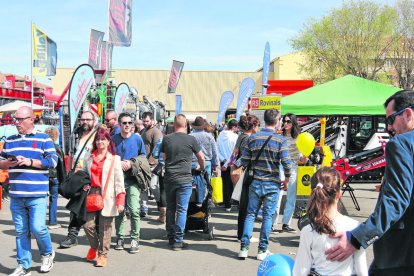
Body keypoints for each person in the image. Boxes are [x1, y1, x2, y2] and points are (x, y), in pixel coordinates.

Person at [326, 90, 414, 275]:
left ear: (408, 114)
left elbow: (396, 201)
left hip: (400, 256)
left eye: (391, 120)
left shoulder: (401, 144)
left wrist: (357, 239)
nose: (389, 128)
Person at [1, 106, 57, 276]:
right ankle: (23, 266)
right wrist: (6, 164)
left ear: (31, 119)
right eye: (15, 119)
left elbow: (53, 161)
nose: (16, 123)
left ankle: (47, 253)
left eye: (20, 119)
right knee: (21, 231)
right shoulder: (10, 140)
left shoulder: (44, 139)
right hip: (17, 194)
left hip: (37, 193)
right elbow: (1, 160)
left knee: (38, 227)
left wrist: (31, 162)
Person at [237, 109, 291, 261]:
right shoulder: (281, 140)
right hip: (272, 184)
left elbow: (244, 160)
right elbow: (287, 163)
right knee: (267, 217)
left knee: (250, 214)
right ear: (277, 121)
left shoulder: (252, 138)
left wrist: (233, 166)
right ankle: (262, 251)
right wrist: (287, 179)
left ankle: (244, 248)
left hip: (255, 182)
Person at [293, 167, 367, 275]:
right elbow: (362, 271)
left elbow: (300, 271)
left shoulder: (308, 230)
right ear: (338, 194)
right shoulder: (355, 227)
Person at [161, 114, 205, 250]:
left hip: (170, 178)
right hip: (185, 179)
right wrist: (201, 168)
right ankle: (178, 241)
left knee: (171, 208)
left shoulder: (166, 139)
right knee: (182, 210)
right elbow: (201, 157)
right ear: (186, 125)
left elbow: (163, 157)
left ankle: (170, 236)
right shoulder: (191, 139)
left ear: (173, 125)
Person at [83, 127, 125, 267]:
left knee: (105, 227)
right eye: (98, 139)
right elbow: (83, 175)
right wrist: (83, 185)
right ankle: (94, 246)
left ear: (108, 142)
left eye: (103, 139)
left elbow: (119, 182)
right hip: (91, 193)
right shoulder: (88, 157)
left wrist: (120, 200)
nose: (100, 142)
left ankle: (103, 254)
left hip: (108, 194)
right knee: (88, 225)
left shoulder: (114, 159)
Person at [60, 111, 97, 248]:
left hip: (91, 175)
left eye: (88, 119)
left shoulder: (97, 135)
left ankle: (96, 236)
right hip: (77, 175)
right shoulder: (75, 134)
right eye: (83, 119)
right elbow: (71, 153)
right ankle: (72, 236)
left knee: (92, 206)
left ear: (94, 120)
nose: (85, 122)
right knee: (75, 205)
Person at [112, 112, 146, 254]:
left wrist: (131, 163)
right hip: (117, 180)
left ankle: (134, 239)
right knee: (119, 210)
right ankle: (120, 237)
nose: (127, 125)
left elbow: (143, 157)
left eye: (129, 123)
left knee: (134, 210)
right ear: (119, 125)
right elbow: (108, 156)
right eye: (124, 123)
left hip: (133, 179)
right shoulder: (113, 139)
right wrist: (118, 162)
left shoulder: (137, 139)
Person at [272, 113, 304, 233]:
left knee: (291, 197)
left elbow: (300, 155)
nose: (285, 123)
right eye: (284, 121)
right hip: (280, 166)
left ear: (293, 123)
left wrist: (304, 159)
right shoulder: (279, 135)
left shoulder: (298, 137)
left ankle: (286, 223)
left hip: (293, 167)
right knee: (278, 195)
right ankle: (272, 223)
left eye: (288, 121)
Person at [231, 115, 260, 241]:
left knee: (243, 205)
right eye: (258, 126)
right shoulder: (248, 138)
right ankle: (243, 234)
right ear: (253, 126)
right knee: (246, 206)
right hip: (245, 173)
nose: (259, 128)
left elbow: (235, 154)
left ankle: (241, 233)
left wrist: (233, 166)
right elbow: (244, 158)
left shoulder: (241, 136)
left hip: (239, 172)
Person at [190, 116, 219, 205]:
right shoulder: (209, 136)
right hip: (207, 162)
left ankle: (193, 204)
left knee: (193, 184)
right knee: (206, 184)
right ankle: (205, 205)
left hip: (193, 162)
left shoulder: (190, 136)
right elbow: (215, 152)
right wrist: (216, 165)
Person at [140, 111, 162, 218]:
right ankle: (144, 208)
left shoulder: (156, 132)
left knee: (153, 186)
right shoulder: (143, 131)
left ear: (152, 120)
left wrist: (152, 162)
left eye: (147, 121)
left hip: (152, 164)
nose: (145, 123)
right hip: (142, 163)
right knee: (143, 186)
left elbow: (156, 149)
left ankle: (160, 203)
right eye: (143, 121)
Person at [44, 127, 66, 230]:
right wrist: (64, 178)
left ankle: (38, 221)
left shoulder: (42, 147)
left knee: (41, 199)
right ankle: (52, 222)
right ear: (56, 136)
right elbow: (61, 165)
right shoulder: (57, 148)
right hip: (55, 177)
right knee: (53, 199)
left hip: (43, 176)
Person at [216, 118, 238, 211]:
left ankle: (226, 203)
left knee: (225, 182)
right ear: (233, 127)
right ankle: (233, 201)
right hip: (232, 162)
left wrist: (224, 161)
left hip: (223, 161)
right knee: (234, 182)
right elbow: (235, 152)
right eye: (236, 127)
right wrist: (228, 162)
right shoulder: (235, 136)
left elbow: (216, 149)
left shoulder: (220, 135)